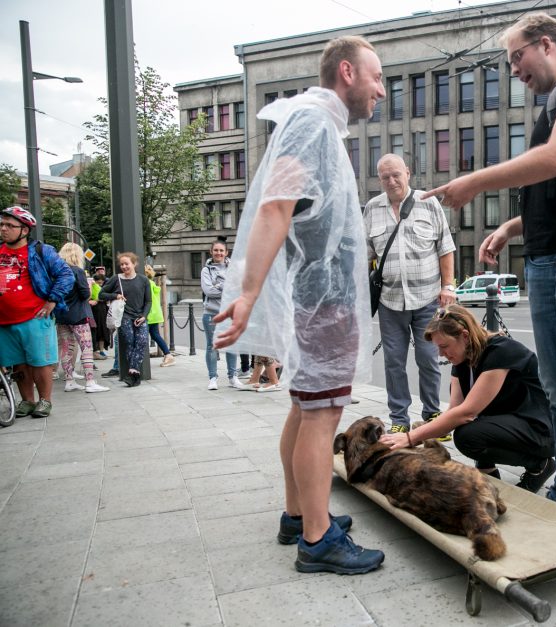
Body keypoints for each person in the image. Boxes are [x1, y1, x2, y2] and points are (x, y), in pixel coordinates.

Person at [423, 13, 556, 520]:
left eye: (516, 57)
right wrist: (513, 226)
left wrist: (476, 182)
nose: (514, 70)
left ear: (546, 44)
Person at [213, 35, 386, 575]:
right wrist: (246, 292)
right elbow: (275, 208)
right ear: (347, 72)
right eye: (377, 77)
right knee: (321, 413)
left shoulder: (316, 123)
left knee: (305, 405)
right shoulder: (311, 122)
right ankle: (317, 539)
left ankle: (298, 514)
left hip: (322, 297)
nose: (382, 90)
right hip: (325, 300)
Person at [380, 304, 555, 492]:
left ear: (464, 335)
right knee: (465, 429)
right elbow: (454, 411)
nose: (441, 354)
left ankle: (539, 465)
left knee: (468, 436)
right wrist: (424, 432)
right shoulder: (463, 357)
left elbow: (467, 412)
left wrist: (410, 437)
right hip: (510, 424)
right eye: (438, 348)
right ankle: (487, 474)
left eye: (444, 346)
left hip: (541, 430)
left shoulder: (501, 351)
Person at [363, 153, 456, 437]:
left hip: (427, 298)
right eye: (385, 177)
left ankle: (432, 415)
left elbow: (445, 247)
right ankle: (399, 417)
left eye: (396, 175)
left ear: (408, 173)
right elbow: (364, 255)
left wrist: (448, 286)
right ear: (379, 179)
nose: (391, 181)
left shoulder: (428, 203)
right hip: (390, 301)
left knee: (429, 358)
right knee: (393, 362)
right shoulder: (372, 208)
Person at [0, 207, 74, 418]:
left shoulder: (41, 251)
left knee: (40, 361)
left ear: (24, 230)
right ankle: (27, 401)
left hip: (34, 317)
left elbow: (66, 275)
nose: (3, 229)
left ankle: (44, 401)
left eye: (9, 225)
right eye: (1, 224)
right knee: (18, 362)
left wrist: (52, 300)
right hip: (4, 321)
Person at [56, 242, 109, 394]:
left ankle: (69, 381)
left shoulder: (57, 272)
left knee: (66, 348)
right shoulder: (77, 271)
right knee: (86, 347)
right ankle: (90, 382)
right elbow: (85, 294)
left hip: (61, 315)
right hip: (78, 314)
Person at [98, 252, 151, 387]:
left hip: (140, 316)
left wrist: (144, 316)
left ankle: (133, 373)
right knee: (129, 342)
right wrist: (116, 296)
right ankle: (134, 375)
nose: (124, 266)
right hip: (124, 316)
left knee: (142, 341)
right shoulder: (116, 279)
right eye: (121, 264)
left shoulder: (143, 280)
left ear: (134, 264)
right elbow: (101, 294)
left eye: (126, 263)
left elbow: (148, 301)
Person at [201, 238, 242, 390]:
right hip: (211, 313)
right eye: (216, 250)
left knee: (231, 345)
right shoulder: (206, 270)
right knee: (212, 346)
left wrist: (218, 285)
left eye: (221, 250)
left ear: (226, 252)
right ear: (211, 252)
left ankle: (233, 377)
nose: (218, 253)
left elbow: (238, 288)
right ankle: (212, 378)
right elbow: (208, 291)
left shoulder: (234, 268)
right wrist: (227, 286)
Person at [144, 265, 175, 367]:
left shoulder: (146, 284)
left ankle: (167, 355)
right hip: (155, 313)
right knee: (155, 335)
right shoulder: (152, 283)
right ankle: (168, 355)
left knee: (144, 336)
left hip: (149, 314)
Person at [89, 272, 111, 359]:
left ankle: (101, 350)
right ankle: (97, 351)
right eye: (99, 283)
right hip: (96, 311)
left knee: (102, 331)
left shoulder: (103, 288)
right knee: (97, 331)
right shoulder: (93, 287)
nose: (100, 284)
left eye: (101, 283)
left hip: (102, 311)